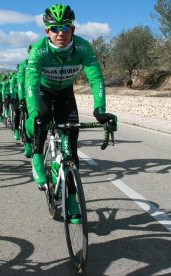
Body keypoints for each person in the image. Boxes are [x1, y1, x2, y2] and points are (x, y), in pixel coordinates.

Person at [25, 4, 112, 222]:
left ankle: (72, 198)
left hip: (65, 94)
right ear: (47, 31)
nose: (60, 33)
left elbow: (95, 78)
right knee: (41, 121)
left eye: (65, 27)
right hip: (43, 93)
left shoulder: (82, 48)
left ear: (72, 29)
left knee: (71, 145)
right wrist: (33, 111)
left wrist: (100, 109)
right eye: (55, 28)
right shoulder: (39, 50)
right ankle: (37, 157)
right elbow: (31, 84)